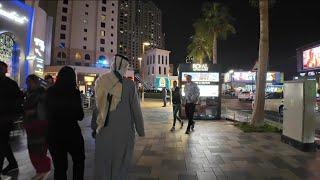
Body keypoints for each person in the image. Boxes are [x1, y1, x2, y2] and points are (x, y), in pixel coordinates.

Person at [92, 55, 145, 180]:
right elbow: (136, 110)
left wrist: (94, 127)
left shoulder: (101, 81)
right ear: (124, 67)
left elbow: (97, 107)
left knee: (103, 162)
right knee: (120, 162)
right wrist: (140, 130)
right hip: (124, 131)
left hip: (103, 129)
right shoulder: (129, 85)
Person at [46, 66, 85, 180]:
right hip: (72, 133)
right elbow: (80, 116)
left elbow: (46, 112)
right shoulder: (74, 93)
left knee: (60, 167)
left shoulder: (50, 92)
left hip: (54, 134)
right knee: (78, 161)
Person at [24, 74, 51, 180]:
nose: (29, 84)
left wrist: (33, 112)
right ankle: (40, 170)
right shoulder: (30, 93)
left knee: (39, 149)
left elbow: (44, 109)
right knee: (33, 149)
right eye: (28, 82)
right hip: (31, 124)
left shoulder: (42, 93)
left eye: (30, 82)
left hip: (39, 124)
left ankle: (44, 169)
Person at [0, 61, 20, 179]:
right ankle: (12, 163)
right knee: (3, 143)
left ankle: (10, 164)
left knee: (2, 142)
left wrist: (14, 113)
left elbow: (18, 98)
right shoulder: (10, 83)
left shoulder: (11, 84)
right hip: (6, 117)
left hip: (6, 117)